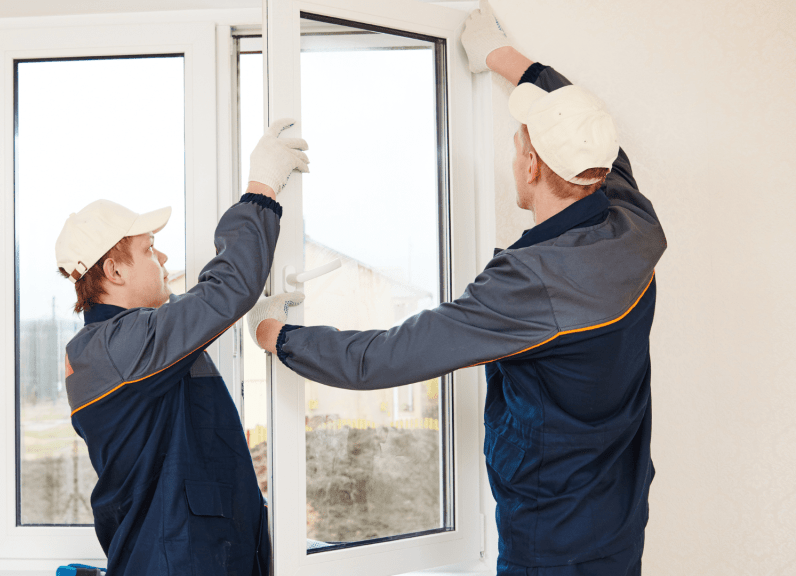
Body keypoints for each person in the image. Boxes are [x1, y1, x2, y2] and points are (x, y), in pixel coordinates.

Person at [247, 2, 665, 575]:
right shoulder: (631, 219)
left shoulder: (531, 285)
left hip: (551, 544)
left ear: (532, 167)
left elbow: (384, 359)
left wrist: (281, 337)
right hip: (619, 518)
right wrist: (504, 58)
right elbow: (590, 131)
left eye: (520, 144)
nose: (515, 152)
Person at [56, 119, 309, 576]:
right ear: (114, 271)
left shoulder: (122, 344)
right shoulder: (117, 347)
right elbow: (224, 292)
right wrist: (261, 188)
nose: (165, 259)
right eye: (151, 249)